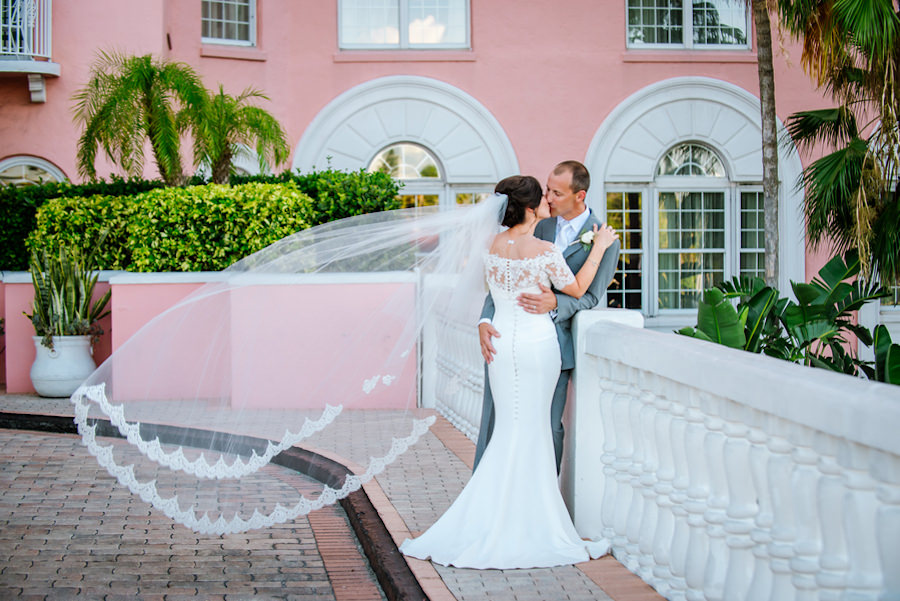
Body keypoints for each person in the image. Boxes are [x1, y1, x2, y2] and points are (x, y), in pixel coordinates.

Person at [399, 174, 617, 569]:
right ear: (532, 208)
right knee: (532, 429)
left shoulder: (493, 246)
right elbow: (580, 286)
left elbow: (496, 295)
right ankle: (533, 521)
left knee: (510, 429)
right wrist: (599, 247)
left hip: (502, 349)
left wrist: (486, 322)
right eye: (544, 197)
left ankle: (495, 516)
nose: (549, 201)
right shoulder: (543, 248)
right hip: (536, 347)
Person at [474, 161, 621, 473]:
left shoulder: (606, 239)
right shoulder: (539, 230)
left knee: (547, 427)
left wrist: (555, 302)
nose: (549, 198)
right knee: (497, 421)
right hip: (512, 340)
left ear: (579, 195)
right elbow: (500, 289)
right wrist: (483, 321)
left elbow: (592, 296)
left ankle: (540, 493)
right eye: (546, 191)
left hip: (553, 344)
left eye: (556, 192)